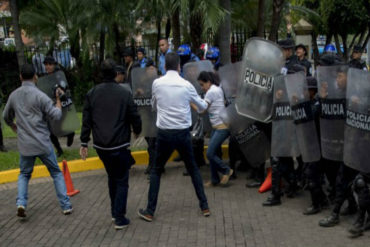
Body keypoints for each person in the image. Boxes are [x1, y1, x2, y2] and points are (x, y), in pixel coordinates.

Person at [138, 52, 210, 222]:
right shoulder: (186, 85)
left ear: (164, 66)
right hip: (183, 133)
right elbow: (201, 107)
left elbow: (154, 105)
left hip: (164, 133)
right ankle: (204, 206)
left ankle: (150, 210)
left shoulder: (157, 83)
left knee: (156, 170)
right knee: (193, 169)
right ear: (179, 66)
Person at [3, 64, 72, 218]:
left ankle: (21, 203)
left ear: (20, 77)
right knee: (56, 173)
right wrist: (58, 102)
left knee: (24, 175)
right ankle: (65, 205)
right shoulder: (40, 96)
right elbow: (56, 115)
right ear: (35, 77)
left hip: (25, 144)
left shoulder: (14, 95)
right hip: (42, 142)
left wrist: (13, 126)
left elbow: (6, 116)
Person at [80, 59, 142, 229]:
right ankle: (119, 217)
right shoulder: (124, 93)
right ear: (116, 74)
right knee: (121, 180)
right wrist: (137, 129)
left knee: (112, 176)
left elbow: (86, 120)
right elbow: (134, 115)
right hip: (119, 144)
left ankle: (115, 212)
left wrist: (84, 142)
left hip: (101, 146)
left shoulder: (92, 93)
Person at [197, 71, 233, 186]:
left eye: (202, 84)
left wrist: (190, 103)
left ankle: (226, 170)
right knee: (214, 154)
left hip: (221, 127)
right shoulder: (216, 89)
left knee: (210, 153)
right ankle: (214, 179)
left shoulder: (211, 92)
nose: (202, 88)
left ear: (208, 82)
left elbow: (202, 110)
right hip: (217, 127)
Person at [43, 56, 75, 157]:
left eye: (50, 64)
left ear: (54, 65)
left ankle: (70, 133)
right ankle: (59, 150)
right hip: (50, 105)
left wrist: (60, 90)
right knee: (50, 131)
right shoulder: (45, 77)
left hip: (62, 105)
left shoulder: (59, 76)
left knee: (57, 129)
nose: (47, 66)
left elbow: (64, 88)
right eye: (46, 64)